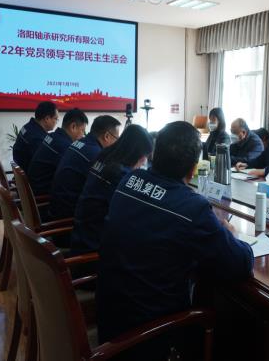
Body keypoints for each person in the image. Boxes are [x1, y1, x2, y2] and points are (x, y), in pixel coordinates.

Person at [96, 121, 253, 358]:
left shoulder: (129, 181)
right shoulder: (192, 208)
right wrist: (231, 234)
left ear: (154, 155)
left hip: (109, 322)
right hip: (149, 337)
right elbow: (239, 263)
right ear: (193, 169)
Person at [70, 124, 152, 256]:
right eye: (144, 157)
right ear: (138, 155)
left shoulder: (104, 157)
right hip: (94, 247)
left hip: (81, 234)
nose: (143, 162)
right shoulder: (120, 175)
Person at [48, 115, 121, 221]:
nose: (117, 144)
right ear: (106, 136)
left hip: (57, 203)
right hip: (66, 215)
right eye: (117, 139)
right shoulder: (96, 154)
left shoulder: (80, 142)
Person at [26, 108, 88, 197]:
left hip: (34, 185)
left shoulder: (53, 136)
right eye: (82, 130)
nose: (83, 135)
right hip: (41, 195)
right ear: (73, 127)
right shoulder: (65, 146)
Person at [12, 101, 58, 171]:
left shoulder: (28, 127)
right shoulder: (38, 138)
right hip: (30, 175)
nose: (56, 122)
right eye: (56, 119)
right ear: (47, 119)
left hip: (22, 170)